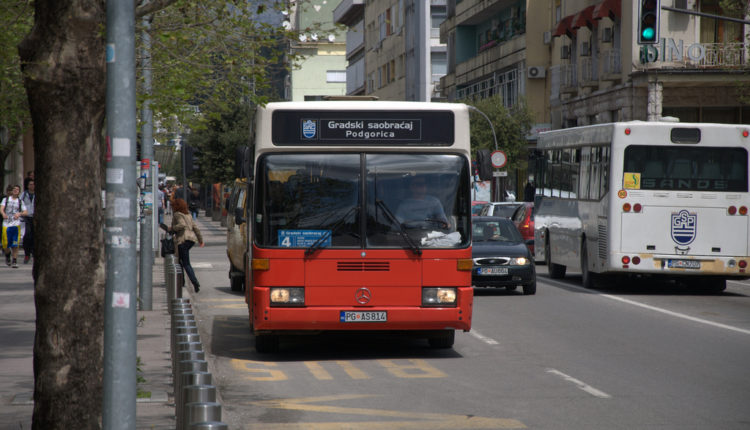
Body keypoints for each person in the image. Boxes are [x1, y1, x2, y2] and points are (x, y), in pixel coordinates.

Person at [169, 198, 204, 292]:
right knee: (180, 261)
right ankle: (182, 281)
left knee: (185, 263)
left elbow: (182, 225)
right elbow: (196, 228)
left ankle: (194, 282)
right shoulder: (188, 215)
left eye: (173, 206)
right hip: (191, 240)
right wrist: (200, 240)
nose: (172, 208)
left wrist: (172, 228)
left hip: (183, 240)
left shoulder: (177, 214)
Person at [1, 185, 28, 268]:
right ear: (12, 191)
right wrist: (3, 214)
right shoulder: (5, 200)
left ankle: (14, 260)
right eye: (14, 189)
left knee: (15, 244)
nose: (16, 190)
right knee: (5, 243)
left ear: (19, 192)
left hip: (16, 224)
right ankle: (7, 254)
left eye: (17, 190)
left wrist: (19, 213)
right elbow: (1, 209)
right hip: (6, 223)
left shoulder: (20, 201)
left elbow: (26, 212)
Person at [21, 180, 35, 263]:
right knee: (27, 235)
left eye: (33, 184)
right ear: (27, 185)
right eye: (30, 184)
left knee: (35, 235)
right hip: (26, 217)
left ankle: (34, 252)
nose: (32, 186)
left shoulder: (37, 194)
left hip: (35, 217)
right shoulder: (24, 194)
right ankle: (27, 254)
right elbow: (20, 204)